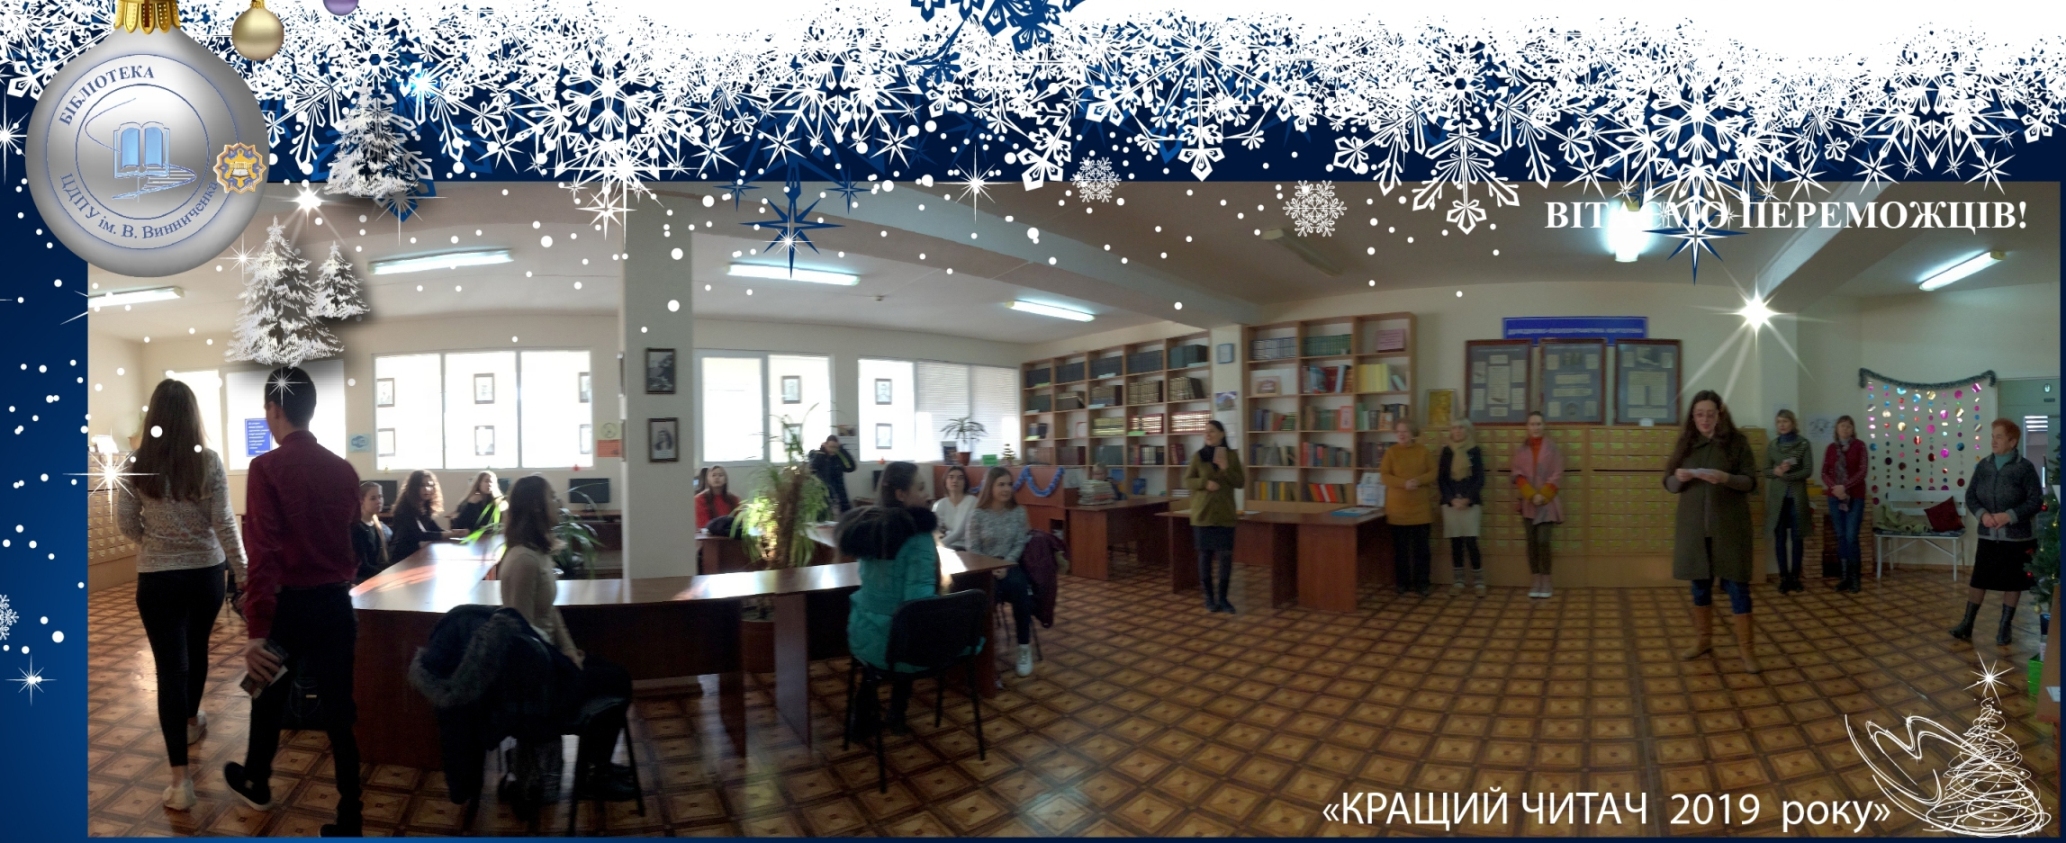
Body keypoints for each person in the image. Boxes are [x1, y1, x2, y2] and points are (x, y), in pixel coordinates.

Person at [224, 366, 366, 836]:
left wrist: (256, 629)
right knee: (340, 712)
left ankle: (258, 782)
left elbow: (263, 554)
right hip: (335, 606)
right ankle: (350, 817)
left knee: (265, 693)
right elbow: (350, 539)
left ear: (273, 409)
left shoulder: (265, 468)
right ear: (311, 410)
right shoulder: (345, 470)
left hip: (288, 610)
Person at [116, 378, 246, 811]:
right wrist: (244, 572)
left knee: (170, 671)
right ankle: (191, 721)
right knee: (198, 648)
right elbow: (224, 522)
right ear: (193, 417)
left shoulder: (136, 464)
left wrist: (156, 545)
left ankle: (180, 782)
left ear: (153, 417)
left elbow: (125, 522)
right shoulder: (208, 461)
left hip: (157, 580)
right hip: (206, 575)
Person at [497, 475, 636, 799]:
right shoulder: (524, 560)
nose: (558, 504)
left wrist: (571, 651)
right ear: (536, 507)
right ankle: (594, 774)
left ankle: (597, 766)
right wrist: (563, 662)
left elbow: (550, 612)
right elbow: (522, 635)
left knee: (616, 675)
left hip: (552, 662)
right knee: (617, 680)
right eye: (552, 498)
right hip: (541, 679)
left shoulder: (537, 554)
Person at [1664, 390, 1762, 675]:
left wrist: (1725, 478)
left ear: (1720, 415)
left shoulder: (1737, 443)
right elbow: (1668, 483)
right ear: (1693, 417)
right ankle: (1703, 640)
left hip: (1729, 528)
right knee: (1699, 587)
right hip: (1694, 530)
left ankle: (1746, 650)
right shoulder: (1687, 444)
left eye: (1710, 414)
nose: (1704, 420)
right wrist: (1678, 478)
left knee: (1737, 587)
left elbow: (1750, 482)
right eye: (1699, 415)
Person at [841, 462, 939, 735]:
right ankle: (897, 713)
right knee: (909, 630)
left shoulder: (869, 529)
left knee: (889, 633)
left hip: (861, 631)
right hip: (896, 642)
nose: (928, 494)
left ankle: (862, 715)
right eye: (921, 487)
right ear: (901, 494)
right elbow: (917, 605)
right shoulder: (918, 538)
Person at [1952, 418, 2044, 646]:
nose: (1993, 441)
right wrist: (1982, 514)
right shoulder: (1984, 465)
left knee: (2013, 582)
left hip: (2017, 537)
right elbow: (1970, 495)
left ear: (2012, 442)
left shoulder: (2024, 468)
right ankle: (1967, 624)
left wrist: (2009, 516)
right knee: (1979, 579)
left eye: (1999, 437)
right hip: (1988, 535)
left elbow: (2035, 501)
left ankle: (2005, 627)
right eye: (1993, 436)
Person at [963, 467, 1037, 676]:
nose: (1006, 489)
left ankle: (1024, 647)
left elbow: (1020, 542)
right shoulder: (977, 515)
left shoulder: (1018, 512)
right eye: (1001, 484)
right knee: (985, 597)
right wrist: (990, 566)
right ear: (990, 487)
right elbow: (972, 548)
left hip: (1010, 565)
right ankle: (984, 655)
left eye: (1009, 484)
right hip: (985, 568)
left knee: (1020, 590)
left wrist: (1006, 563)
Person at [1183, 420, 1247, 613]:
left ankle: (1224, 599)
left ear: (1222, 434)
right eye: (1205, 432)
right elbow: (1187, 480)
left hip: (1225, 515)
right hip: (1203, 514)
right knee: (1205, 557)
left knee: (1225, 557)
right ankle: (1209, 599)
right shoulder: (1198, 456)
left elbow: (1240, 482)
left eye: (1211, 431)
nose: (1208, 434)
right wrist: (1205, 483)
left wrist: (1226, 469)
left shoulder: (1231, 456)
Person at [1510, 411, 1565, 599]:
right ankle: (1536, 579)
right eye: (1532, 424)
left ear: (1544, 426)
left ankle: (1546, 579)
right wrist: (1531, 495)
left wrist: (1543, 495)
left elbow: (1557, 474)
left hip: (1547, 503)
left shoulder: (1552, 448)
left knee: (1543, 541)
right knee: (1531, 543)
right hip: (1528, 503)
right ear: (1527, 427)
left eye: (1539, 424)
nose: (1535, 427)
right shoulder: (1521, 450)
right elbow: (1517, 474)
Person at [1381, 419, 1437, 597]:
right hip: (1397, 511)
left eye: (1405, 431)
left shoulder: (1423, 451)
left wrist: (1418, 481)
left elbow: (1433, 472)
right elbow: (1384, 476)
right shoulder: (1391, 452)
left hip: (1420, 510)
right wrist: (1403, 483)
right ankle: (1402, 583)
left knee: (1422, 551)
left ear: (1413, 433)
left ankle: (1422, 583)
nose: (1401, 435)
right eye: (1398, 431)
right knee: (1401, 551)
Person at [1764, 410, 1813, 594]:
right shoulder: (1773, 446)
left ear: (1792, 423)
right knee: (1780, 539)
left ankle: (1795, 577)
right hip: (1778, 500)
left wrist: (1788, 476)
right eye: (1779, 422)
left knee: (1797, 538)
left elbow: (1808, 470)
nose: (1782, 425)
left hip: (1796, 498)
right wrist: (1776, 472)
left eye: (1785, 421)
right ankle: (1784, 577)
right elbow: (1766, 470)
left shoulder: (1803, 444)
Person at [1438, 420, 1487, 596]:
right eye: (1454, 427)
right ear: (1450, 431)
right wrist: (1452, 499)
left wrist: (1467, 498)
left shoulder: (1474, 450)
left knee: (1471, 542)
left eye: (1461, 427)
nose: (1457, 430)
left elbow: (1480, 478)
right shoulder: (1446, 451)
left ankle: (1479, 582)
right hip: (1451, 502)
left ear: (1467, 430)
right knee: (1455, 543)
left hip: (1470, 501)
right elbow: (1441, 479)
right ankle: (1458, 581)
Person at [1820, 415, 1867, 593]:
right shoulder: (1831, 448)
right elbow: (1824, 472)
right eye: (1842, 426)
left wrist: (1844, 487)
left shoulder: (1860, 446)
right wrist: (1835, 488)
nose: (1845, 429)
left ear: (1853, 429)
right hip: (1835, 498)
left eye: (1848, 426)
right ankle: (1844, 577)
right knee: (1840, 536)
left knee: (1851, 536)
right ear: (1837, 429)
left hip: (1855, 497)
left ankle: (1855, 579)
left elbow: (1862, 471)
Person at [389, 470, 465, 561]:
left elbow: (436, 529)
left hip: (416, 554)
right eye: (422, 485)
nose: (427, 489)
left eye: (430, 485)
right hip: (402, 557)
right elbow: (421, 535)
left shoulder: (424, 506)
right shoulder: (405, 508)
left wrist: (456, 533)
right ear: (413, 487)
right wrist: (452, 534)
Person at [350, 482, 392, 584]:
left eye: (380, 497)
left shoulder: (378, 525)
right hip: (363, 580)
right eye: (373, 498)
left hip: (376, 575)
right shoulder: (357, 528)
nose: (379, 501)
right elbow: (363, 567)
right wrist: (389, 575)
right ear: (361, 501)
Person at [810, 435, 858, 514]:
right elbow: (811, 470)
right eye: (830, 447)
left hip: (840, 494)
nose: (832, 450)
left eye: (835, 447)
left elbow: (851, 467)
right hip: (824, 496)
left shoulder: (839, 458)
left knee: (846, 516)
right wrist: (821, 451)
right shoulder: (820, 456)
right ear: (826, 445)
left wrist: (842, 450)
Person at [933, 464, 977, 548]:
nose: (955, 480)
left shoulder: (971, 501)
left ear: (965, 483)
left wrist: (938, 545)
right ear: (945, 481)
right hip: (947, 545)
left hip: (967, 546)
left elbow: (959, 532)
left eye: (960, 478)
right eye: (951, 477)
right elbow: (935, 530)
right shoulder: (940, 504)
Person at [695, 465, 739, 531]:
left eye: (720, 475)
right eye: (713, 475)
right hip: (708, 535)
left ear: (725, 480)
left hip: (730, 535)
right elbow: (703, 525)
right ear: (708, 479)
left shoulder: (734, 499)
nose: (717, 478)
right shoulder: (699, 499)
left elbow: (739, 522)